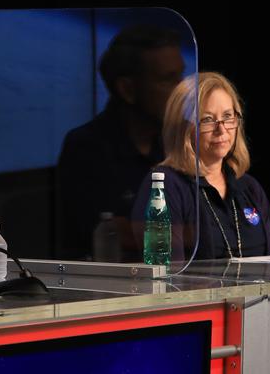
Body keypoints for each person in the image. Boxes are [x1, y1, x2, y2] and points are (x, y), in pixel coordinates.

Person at [56, 24, 186, 259]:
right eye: (168, 80)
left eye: (181, 77)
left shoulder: (180, 142)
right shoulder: (87, 147)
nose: (181, 92)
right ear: (127, 89)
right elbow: (112, 232)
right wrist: (194, 232)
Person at [132, 72, 270, 261]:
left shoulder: (250, 188)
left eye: (228, 116)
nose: (221, 130)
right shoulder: (164, 185)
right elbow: (166, 276)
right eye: (207, 119)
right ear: (183, 128)